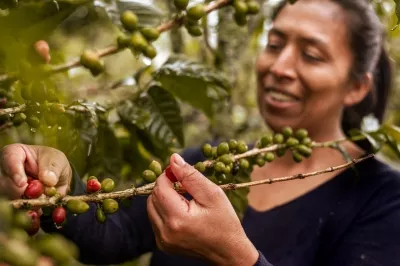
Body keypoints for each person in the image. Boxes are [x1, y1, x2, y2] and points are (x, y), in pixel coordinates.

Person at [1, 0, 400, 265]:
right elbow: (113, 235)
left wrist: (235, 257)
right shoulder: (205, 166)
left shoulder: (385, 200)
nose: (280, 66)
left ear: (357, 87)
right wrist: (52, 182)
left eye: (311, 55)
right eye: (274, 44)